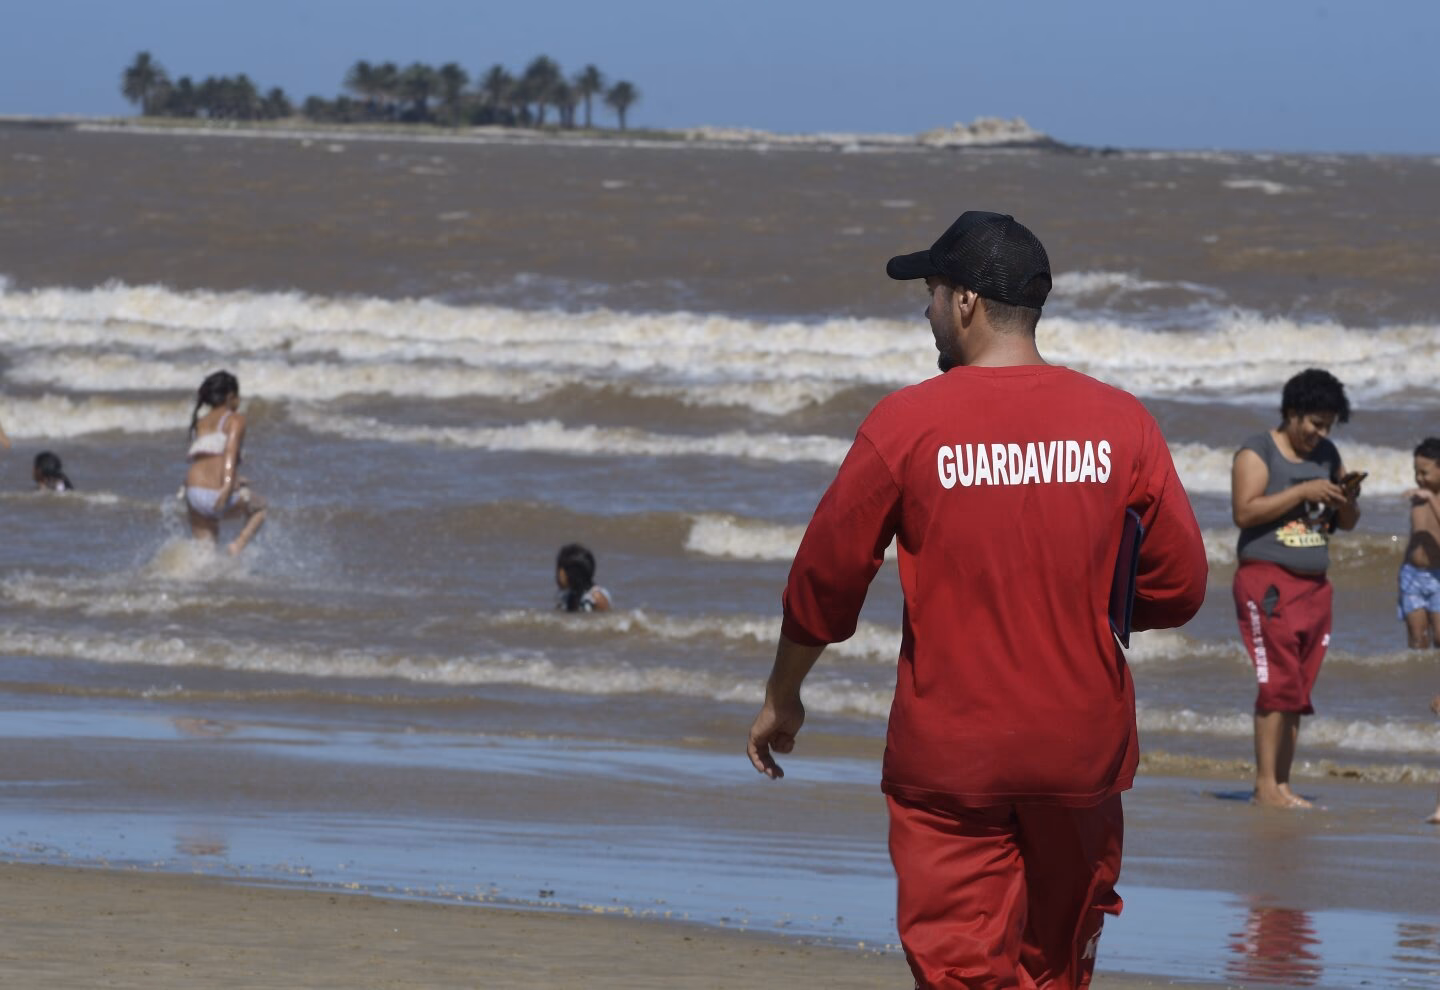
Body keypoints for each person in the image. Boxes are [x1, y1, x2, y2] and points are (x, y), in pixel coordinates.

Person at [745, 211, 1207, 989]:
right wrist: (1081, 610)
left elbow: (825, 579)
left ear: (964, 303)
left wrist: (782, 697)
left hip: (951, 755)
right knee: (1055, 969)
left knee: (961, 971)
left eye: (929, 292)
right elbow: (1179, 586)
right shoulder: (1122, 423)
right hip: (1081, 745)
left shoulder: (908, 423)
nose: (924, 310)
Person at [1230, 368, 1360, 809]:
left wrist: (1347, 498)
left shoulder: (1328, 453)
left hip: (1315, 586)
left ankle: (1282, 785)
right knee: (1276, 683)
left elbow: (1347, 523)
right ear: (1291, 413)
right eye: (1314, 424)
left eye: (1327, 426)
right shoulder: (1258, 450)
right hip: (1265, 580)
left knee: (1299, 688)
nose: (1320, 434)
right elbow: (1245, 513)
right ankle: (1266, 785)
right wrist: (1303, 488)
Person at [184, 370, 267, 555]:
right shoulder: (234, 419)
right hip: (215, 492)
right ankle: (237, 546)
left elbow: (209, 460)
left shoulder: (202, 422)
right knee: (260, 508)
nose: (239, 401)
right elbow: (229, 453)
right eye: (238, 397)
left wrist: (236, 478)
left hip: (192, 492)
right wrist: (228, 485)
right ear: (231, 397)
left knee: (205, 554)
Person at [1400, 437, 1440, 649]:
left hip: (1438, 576)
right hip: (1413, 574)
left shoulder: (1431, 497)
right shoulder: (1417, 497)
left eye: (1424, 473)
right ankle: (1418, 680)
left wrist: (1432, 498)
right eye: (1416, 472)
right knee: (1418, 639)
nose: (1419, 478)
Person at [554, 543, 611, 612]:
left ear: (570, 574)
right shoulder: (567, 596)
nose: (556, 575)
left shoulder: (596, 598)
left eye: (559, 569)